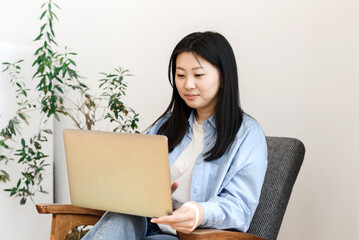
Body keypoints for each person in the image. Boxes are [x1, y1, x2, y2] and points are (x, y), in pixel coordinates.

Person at [82, 31, 267, 240]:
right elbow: (132, 175)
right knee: (121, 217)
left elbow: (240, 207)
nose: (187, 84)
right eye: (180, 75)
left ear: (223, 77)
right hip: (147, 224)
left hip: (189, 236)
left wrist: (199, 212)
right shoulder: (165, 126)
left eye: (198, 75)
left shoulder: (247, 135)